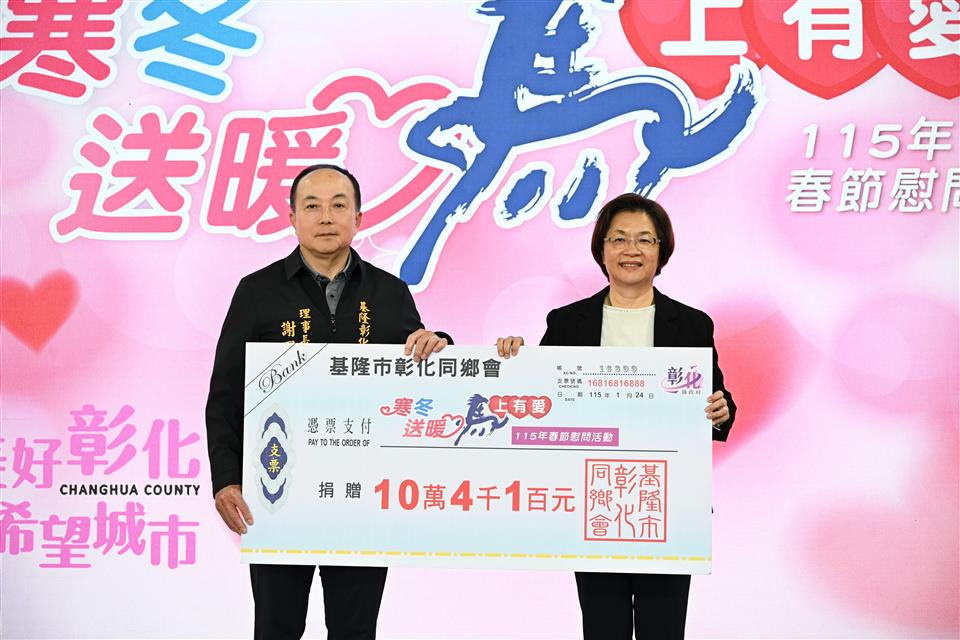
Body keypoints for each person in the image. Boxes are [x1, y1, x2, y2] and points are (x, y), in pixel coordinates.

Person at [205, 164, 450, 640]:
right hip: (277, 492)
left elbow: (420, 384)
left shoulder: (389, 293)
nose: (325, 217)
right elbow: (226, 394)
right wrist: (226, 478)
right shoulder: (257, 291)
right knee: (276, 627)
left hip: (362, 497)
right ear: (292, 218)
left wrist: (438, 343)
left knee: (354, 629)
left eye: (339, 205)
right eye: (312, 206)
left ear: (358, 218)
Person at [496, 193, 736, 640]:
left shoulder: (692, 324)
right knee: (602, 627)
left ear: (661, 251)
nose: (631, 249)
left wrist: (719, 412)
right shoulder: (567, 322)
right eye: (619, 238)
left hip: (668, 502)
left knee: (663, 629)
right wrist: (515, 362)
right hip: (593, 501)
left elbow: (716, 401)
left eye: (645, 239)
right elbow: (540, 403)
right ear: (601, 249)